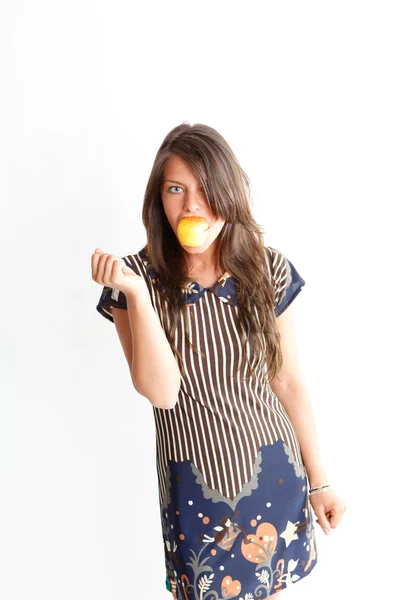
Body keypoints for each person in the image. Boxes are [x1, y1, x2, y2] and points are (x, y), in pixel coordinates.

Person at [92, 122, 346, 599]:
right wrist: (138, 296)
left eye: (206, 189)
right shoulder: (132, 279)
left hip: (275, 475)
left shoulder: (267, 268)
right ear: (159, 199)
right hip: (197, 495)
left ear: (229, 194)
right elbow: (162, 393)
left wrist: (320, 483)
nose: (191, 205)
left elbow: (288, 380)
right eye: (175, 189)